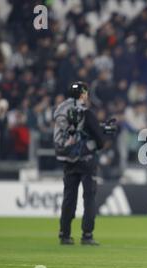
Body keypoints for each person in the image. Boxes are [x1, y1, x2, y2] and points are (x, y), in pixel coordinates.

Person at [54, 81, 105, 245]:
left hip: (68, 159)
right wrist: (100, 137)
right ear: (83, 94)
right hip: (86, 160)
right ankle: (87, 234)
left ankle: (64, 234)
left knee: (69, 197)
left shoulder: (61, 110)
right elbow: (99, 139)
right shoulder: (85, 112)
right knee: (89, 196)